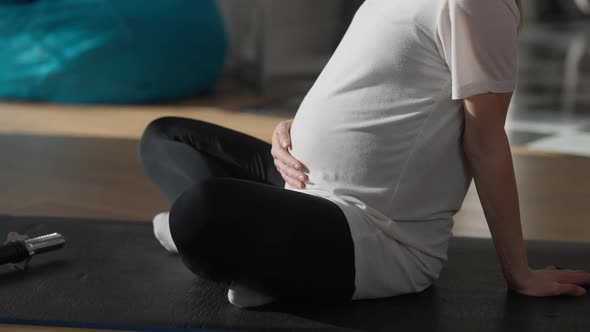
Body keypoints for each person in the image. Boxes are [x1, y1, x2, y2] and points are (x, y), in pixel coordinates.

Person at [139, 0, 590, 308]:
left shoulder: (475, 4)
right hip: (305, 184)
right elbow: (367, 85)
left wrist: (520, 274)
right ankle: (264, 265)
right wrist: (294, 129)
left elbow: (486, 142)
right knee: (166, 137)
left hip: (371, 232)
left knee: (197, 212)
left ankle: (262, 264)